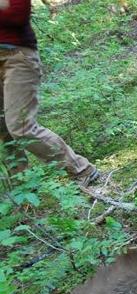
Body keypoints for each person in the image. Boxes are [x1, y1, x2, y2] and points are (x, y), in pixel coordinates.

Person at [0, 0, 99, 185]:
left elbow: (17, 15)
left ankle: (81, 169)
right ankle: (22, 188)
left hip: (17, 57)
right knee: (2, 129)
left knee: (21, 127)